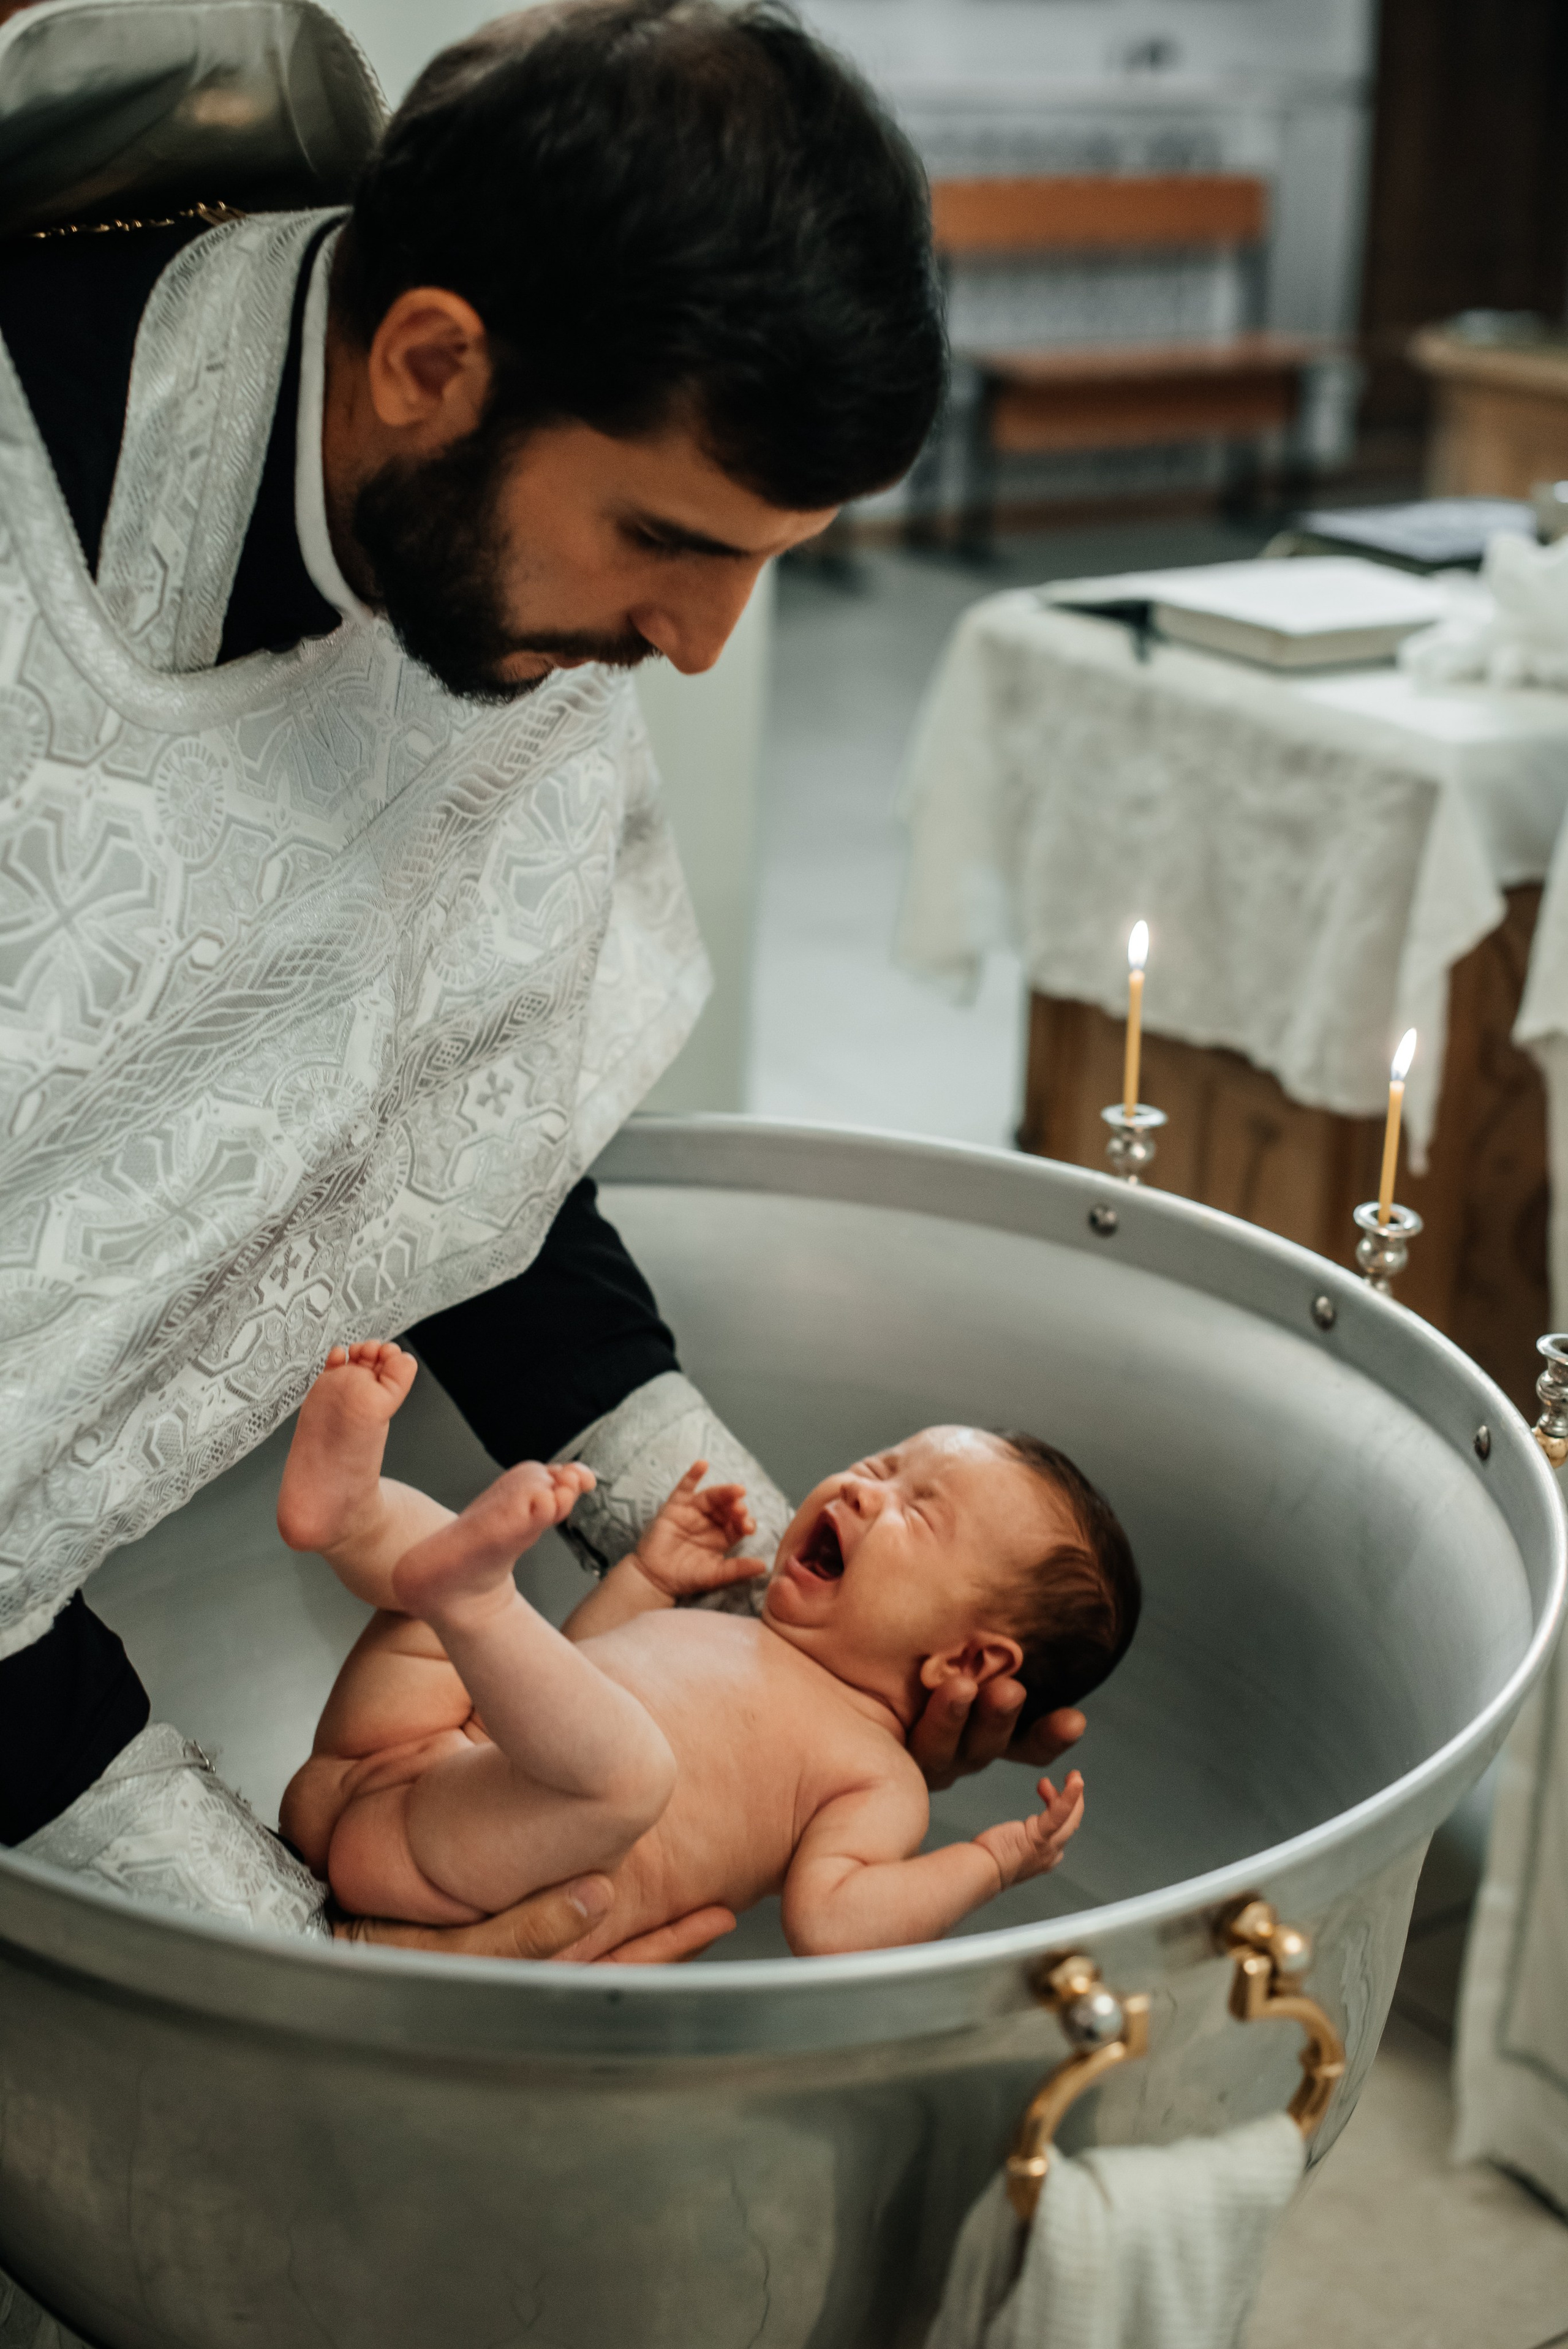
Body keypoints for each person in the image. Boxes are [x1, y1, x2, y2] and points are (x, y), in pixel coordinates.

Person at [0, 0, 1083, 1958]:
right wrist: (312, 1968)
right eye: (671, 542)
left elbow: (446, 1120)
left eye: (774, 562)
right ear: (430, 363)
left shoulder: (485, 550)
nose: (695, 644)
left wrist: (799, 1614)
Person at [275, 1342, 1140, 1955]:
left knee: (630, 1772)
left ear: (970, 1664)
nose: (860, 1491)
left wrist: (987, 1860)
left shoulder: (882, 1779)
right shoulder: (737, 1624)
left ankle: (468, 1596)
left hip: (461, 1875)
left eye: (917, 1510)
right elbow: (567, 1679)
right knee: (454, 1590)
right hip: (402, 1760)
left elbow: (830, 1925)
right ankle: (352, 1517)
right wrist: (646, 1579)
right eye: (880, 1467)